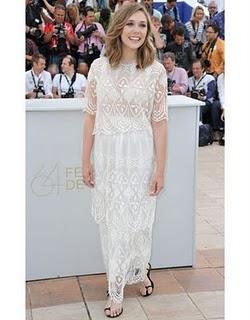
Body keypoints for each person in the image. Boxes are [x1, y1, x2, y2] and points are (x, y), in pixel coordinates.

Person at [82, 3, 167, 318]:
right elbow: (90, 116)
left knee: (139, 223)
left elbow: (159, 121)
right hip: (107, 156)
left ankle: (140, 271)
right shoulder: (98, 68)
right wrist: (85, 160)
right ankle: (116, 289)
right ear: (118, 27)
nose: (136, 30)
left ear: (148, 32)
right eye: (130, 24)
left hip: (140, 155)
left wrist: (160, 168)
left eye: (142, 25)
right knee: (113, 225)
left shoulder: (156, 71)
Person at [187, 59, 218, 128]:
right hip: (192, 102)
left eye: (197, 68)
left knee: (198, 108)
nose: (195, 71)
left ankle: (199, 127)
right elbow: (188, 93)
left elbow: (211, 92)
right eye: (193, 69)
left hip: (206, 102)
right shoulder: (189, 80)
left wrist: (202, 97)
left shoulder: (209, 78)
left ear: (203, 69)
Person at [75, 6, 105, 72]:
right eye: (90, 17)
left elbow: (105, 42)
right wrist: (80, 40)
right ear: (84, 17)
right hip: (83, 54)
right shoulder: (79, 27)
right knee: (82, 70)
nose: (92, 19)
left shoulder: (98, 25)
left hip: (96, 54)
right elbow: (76, 44)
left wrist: (100, 36)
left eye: (93, 16)